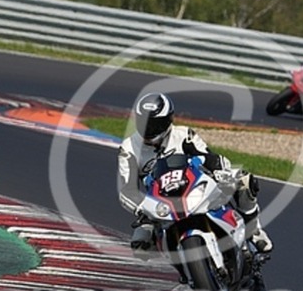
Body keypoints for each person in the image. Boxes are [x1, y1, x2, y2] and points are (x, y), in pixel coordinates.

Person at [117, 92, 273, 262]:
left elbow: (209, 157)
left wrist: (221, 171)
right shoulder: (128, 148)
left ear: (168, 120)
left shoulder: (184, 135)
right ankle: (183, 265)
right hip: (158, 205)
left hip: (193, 187)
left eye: (155, 124)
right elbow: (127, 190)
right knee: (140, 247)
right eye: (144, 123)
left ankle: (253, 231)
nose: (148, 130)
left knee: (244, 181)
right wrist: (142, 208)